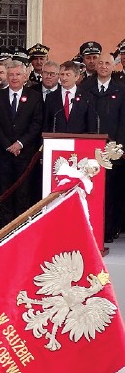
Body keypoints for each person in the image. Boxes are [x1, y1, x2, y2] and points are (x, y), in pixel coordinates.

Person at [0, 60, 43, 228]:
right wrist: (8, 145)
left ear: (25, 76)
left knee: (23, 192)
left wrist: (20, 143)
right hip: (3, 152)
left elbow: (36, 124)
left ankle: (21, 226)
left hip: (25, 153)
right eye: (11, 74)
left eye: (18, 74)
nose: (14, 78)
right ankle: (5, 227)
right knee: (5, 191)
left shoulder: (34, 97)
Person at [80, 52, 125, 242]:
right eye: (100, 63)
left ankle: (108, 229)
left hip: (112, 149)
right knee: (91, 189)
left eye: (107, 63)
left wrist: (120, 147)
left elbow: (123, 121)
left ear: (113, 66)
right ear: (95, 66)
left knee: (111, 191)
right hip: (89, 149)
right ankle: (90, 228)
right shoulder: (85, 88)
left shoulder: (121, 89)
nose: (104, 66)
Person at [43, 60, 97, 133]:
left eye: (68, 75)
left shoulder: (87, 97)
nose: (64, 78)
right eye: (62, 74)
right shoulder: (51, 97)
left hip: (79, 141)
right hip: (57, 141)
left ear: (76, 77)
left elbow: (91, 124)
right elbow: (46, 124)